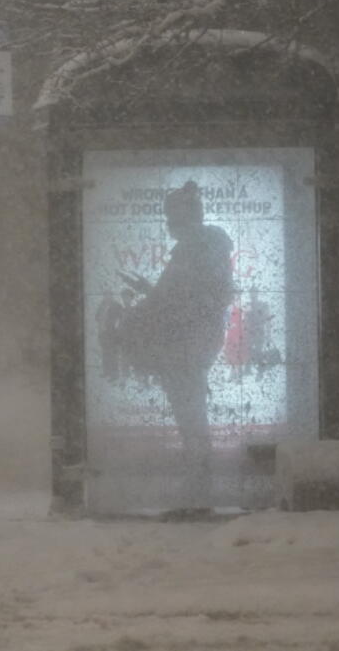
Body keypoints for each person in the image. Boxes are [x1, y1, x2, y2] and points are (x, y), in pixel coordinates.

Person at [118, 181, 233, 466]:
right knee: (188, 397)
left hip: (187, 338)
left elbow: (185, 299)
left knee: (187, 399)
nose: (169, 225)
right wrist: (150, 292)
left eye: (172, 218)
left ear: (184, 218)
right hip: (192, 335)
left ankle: (198, 457)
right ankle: (196, 453)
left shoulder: (196, 250)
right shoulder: (201, 248)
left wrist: (151, 300)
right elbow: (181, 296)